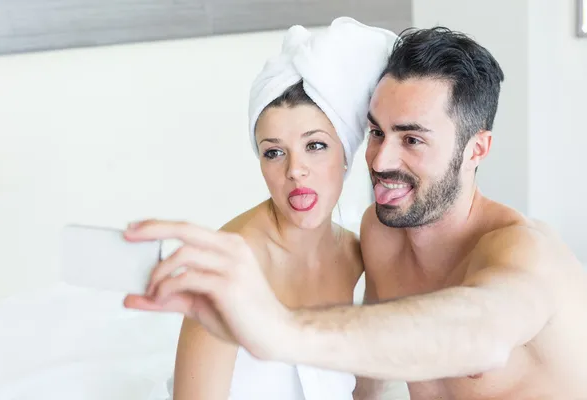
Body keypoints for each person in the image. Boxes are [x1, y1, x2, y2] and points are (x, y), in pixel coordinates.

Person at [124, 26, 587, 400]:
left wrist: (279, 330)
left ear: (476, 150)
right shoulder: (382, 235)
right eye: (376, 133)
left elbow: (480, 334)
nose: (381, 161)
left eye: (412, 139)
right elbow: (368, 377)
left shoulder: (529, 255)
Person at [128, 17, 399, 400]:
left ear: (346, 153)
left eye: (315, 145)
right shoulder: (228, 268)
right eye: (274, 152)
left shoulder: (361, 255)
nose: (295, 170)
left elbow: (366, 389)